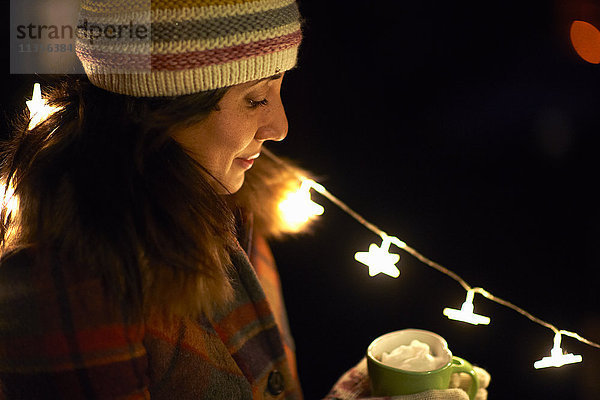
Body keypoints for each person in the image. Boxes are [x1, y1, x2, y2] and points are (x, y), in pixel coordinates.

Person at [0, 1, 489, 399]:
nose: (280, 127)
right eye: (256, 98)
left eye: (281, 89)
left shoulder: (229, 210)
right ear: (165, 108)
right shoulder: (71, 283)